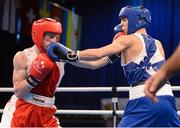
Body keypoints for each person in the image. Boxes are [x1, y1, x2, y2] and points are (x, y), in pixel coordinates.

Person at [46, 5, 180, 127]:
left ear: (136, 20)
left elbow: (98, 54)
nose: (121, 25)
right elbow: (95, 64)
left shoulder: (127, 40)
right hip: (167, 99)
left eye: (124, 20)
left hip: (144, 100)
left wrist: (71, 54)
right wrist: (67, 57)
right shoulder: (158, 43)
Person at [0, 17, 119, 127]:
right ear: (38, 35)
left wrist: (116, 53)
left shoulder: (61, 54)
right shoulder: (23, 56)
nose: (54, 41)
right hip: (21, 111)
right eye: (50, 36)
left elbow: (93, 64)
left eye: (57, 37)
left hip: (46, 113)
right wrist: (35, 77)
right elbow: (18, 92)